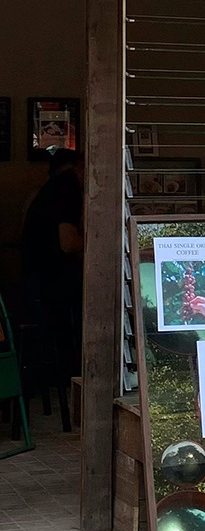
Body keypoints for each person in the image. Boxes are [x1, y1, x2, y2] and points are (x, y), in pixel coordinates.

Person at [20, 148, 85, 382]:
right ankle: (75, 376)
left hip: (35, 280)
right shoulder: (67, 187)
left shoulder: (46, 191)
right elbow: (69, 244)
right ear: (79, 167)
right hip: (51, 283)